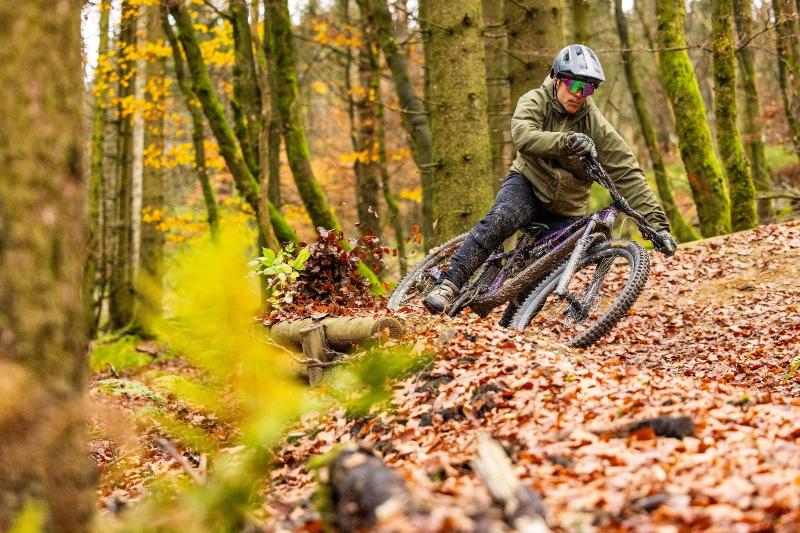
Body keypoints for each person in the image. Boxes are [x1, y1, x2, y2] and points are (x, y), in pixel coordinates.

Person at [423, 44, 677, 315]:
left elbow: (627, 173)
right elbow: (523, 135)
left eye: (588, 88)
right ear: (556, 78)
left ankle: (512, 329)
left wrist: (658, 226)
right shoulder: (535, 100)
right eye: (574, 85)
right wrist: (566, 142)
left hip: (567, 208)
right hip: (528, 184)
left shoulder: (595, 123)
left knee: (545, 275)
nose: (579, 94)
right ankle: (448, 285)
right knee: (501, 219)